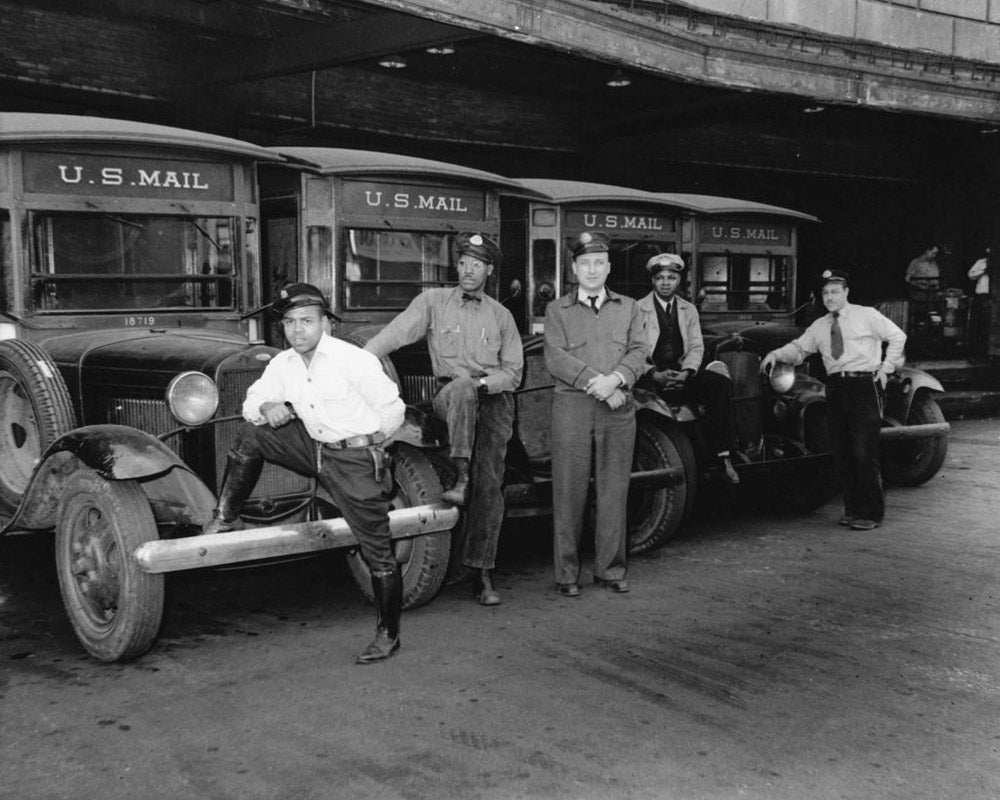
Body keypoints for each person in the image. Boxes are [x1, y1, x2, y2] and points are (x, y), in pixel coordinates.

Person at [203, 283, 407, 664]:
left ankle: (388, 634)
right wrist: (268, 404)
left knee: (378, 553)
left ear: (325, 323)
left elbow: (393, 409)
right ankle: (224, 517)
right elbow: (250, 402)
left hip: (354, 458)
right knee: (251, 432)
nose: (298, 330)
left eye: (307, 321)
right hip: (313, 449)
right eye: (290, 322)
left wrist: (370, 445)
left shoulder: (353, 360)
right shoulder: (284, 363)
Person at [365, 233, 523, 607]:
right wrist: (361, 358)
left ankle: (482, 572)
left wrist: (484, 383)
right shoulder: (433, 301)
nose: (469, 270)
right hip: (448, 395)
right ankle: (461, 474)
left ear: (489, 270)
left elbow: (513, 373)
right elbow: (395, 333)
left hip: (493, 399)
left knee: (492, 485)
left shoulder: (501, 315)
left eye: (477, 264)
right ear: (458, 265)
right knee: (462, 388)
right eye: (464, 262)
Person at [544, 231, 649, 596]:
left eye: (598, 263)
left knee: (614, 492)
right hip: (573, 408)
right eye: (584, 263)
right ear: (574, 268)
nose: (591, 270)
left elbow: (639, 352)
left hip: (618, 410)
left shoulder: (630, 307)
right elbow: (556, 358)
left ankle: (610, 569)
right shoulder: (557, 310)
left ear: (609, 268)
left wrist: (618, 380)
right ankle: (567, 576)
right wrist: (601, 385)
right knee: (569, 493)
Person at [761, 269, 906, 531]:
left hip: (863, 384)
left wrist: (886, 369)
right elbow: (799, 348)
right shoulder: (820, 326)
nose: (829, 297)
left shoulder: (866, 315)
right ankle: (852, 510)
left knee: (864, 451)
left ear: (846, 292)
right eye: (825, 292)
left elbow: (898, 336)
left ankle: (871, 513)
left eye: (835, 291)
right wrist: (775, 354)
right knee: (842, 451)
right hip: (836, 387)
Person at [636, 252, 740, 484]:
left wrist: (687, 372)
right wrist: (654, 373)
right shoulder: (636, 309)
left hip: (681, 371)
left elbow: (696, 346)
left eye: (671, 278)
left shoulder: (688, 309)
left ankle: (723, 456)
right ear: (653, 281)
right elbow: (632, 351)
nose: (665, 283)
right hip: (651, 374)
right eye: (660, 278)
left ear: (678, 280)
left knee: (720, 384)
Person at [967, 246, 991, 359]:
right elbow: (971, 275)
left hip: (992, 296)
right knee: (978, 324)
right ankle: (975, 352)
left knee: (988, 325)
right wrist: (983, 270)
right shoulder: (981, 262)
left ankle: (988, 352)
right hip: (981, 295)